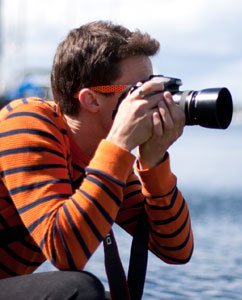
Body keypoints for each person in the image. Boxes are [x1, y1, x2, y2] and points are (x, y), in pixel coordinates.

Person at [0, 20, 194, 299]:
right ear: (91, 100)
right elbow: (66, 253)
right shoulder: (26, 123)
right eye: (140, 91)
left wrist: (154, 163)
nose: (156, 100)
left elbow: (176, 249)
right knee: (80, 291)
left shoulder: (106, 157)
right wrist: (119, 146)